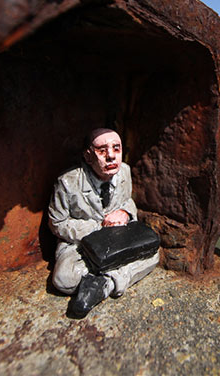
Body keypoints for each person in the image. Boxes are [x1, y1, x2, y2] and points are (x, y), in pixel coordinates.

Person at [48, 128, 159, 316]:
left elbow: (127, 201)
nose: (111, 157)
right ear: (88, 156)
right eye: (102, 150)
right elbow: (57, 222)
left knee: (153, 255)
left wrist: (125, 213)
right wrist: (97, 227)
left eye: (116, 149)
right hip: (81, 244)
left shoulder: (124, 171)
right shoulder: (67, 182)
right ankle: (112, 278)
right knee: (63, 278)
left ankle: (104, 284)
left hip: (118, 238)